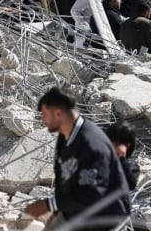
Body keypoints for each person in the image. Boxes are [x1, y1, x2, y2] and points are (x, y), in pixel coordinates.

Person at [23, 87, 130, 229]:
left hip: (104, 218)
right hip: (77, 210)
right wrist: (57, 212)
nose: (43, 119)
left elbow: (91, 193)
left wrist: (48, 205)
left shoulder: (92, 145)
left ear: (58, 113)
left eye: (44, 114)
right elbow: (63, 177)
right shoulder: (65, 135)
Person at [105, 121, 141, 190]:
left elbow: (131, 184)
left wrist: (122, 159)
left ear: (127, 146)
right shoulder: (100, 158)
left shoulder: (130, 167)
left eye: (115, 145)